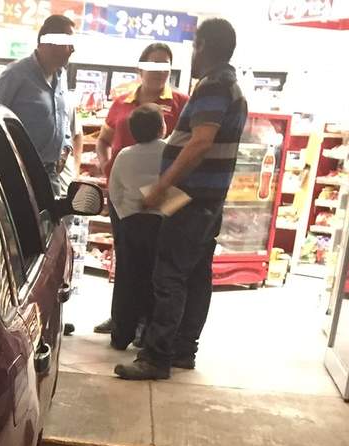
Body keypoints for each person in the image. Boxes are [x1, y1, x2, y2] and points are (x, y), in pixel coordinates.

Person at [116, 18, 247, 380]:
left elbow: (201, 141)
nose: (192, 53)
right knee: (196, 275)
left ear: (202, 46)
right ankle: (183, 350)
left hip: (190, 198)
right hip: (207, 199)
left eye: (194, 45)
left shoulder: (214, 86)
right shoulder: (230, 86)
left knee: (168, 275)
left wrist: (162, 185)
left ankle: (156, 357)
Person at [92, 42, 188, 339]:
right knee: (125, 259)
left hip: (162, 201)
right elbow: (103, 140)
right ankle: (122, 318)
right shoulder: (122, 102)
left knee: (156, 265)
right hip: (124, 196)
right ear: (140, 68)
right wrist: (107, 168)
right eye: (153, 64)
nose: (159, 71)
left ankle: (146, 323)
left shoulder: (181, 103)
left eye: (165, 65)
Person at [0, 15, 76, 188]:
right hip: (18, 174)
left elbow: (62, 117)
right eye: (68, 43)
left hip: (51, 174)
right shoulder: (16, 74)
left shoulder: (61, 75)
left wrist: (66, 147)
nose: (72, 49)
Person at [105, 104, 165, 350]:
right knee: (156, 279)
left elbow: (114, 190)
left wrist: (125, 213)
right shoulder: (169, 151)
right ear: (162, 128)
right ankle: (147, 333)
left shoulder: (124, 155)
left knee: (127, 279)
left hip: (131, 223)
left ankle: (121, 334)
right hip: (160, 223)